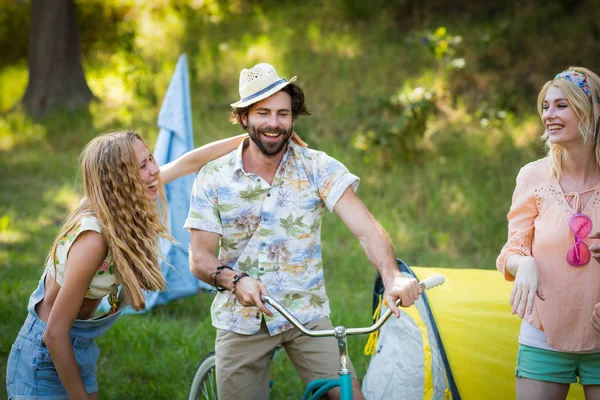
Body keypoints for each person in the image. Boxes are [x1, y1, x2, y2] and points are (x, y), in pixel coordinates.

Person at [185, 62, 421, 400]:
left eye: (283, 113)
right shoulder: (213, 177)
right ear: (243, 118)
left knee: (350, 396)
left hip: (306, 314)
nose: (273, 123)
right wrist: (235, 281)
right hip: (241, 319)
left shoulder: (317, 167)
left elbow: (367, 229)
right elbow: (200, 257)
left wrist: (392, 275)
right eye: (263, 113)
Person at [5, 130, 256, 399]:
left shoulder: (120, 205)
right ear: (117, 180)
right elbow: (54, 333)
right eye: (143, 166)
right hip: (46, 354)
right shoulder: (93, 239)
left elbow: (188, 163)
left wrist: (251, 138)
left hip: (76, 345)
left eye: (151, 159)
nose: (155, 170)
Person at [497, 67, 600, 400]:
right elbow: (512, 251)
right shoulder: (533, 176)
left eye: (561, 106)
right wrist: (523, 264)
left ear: (588, 110)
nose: (548, 115)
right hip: (542, 333)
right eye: (545, 106)